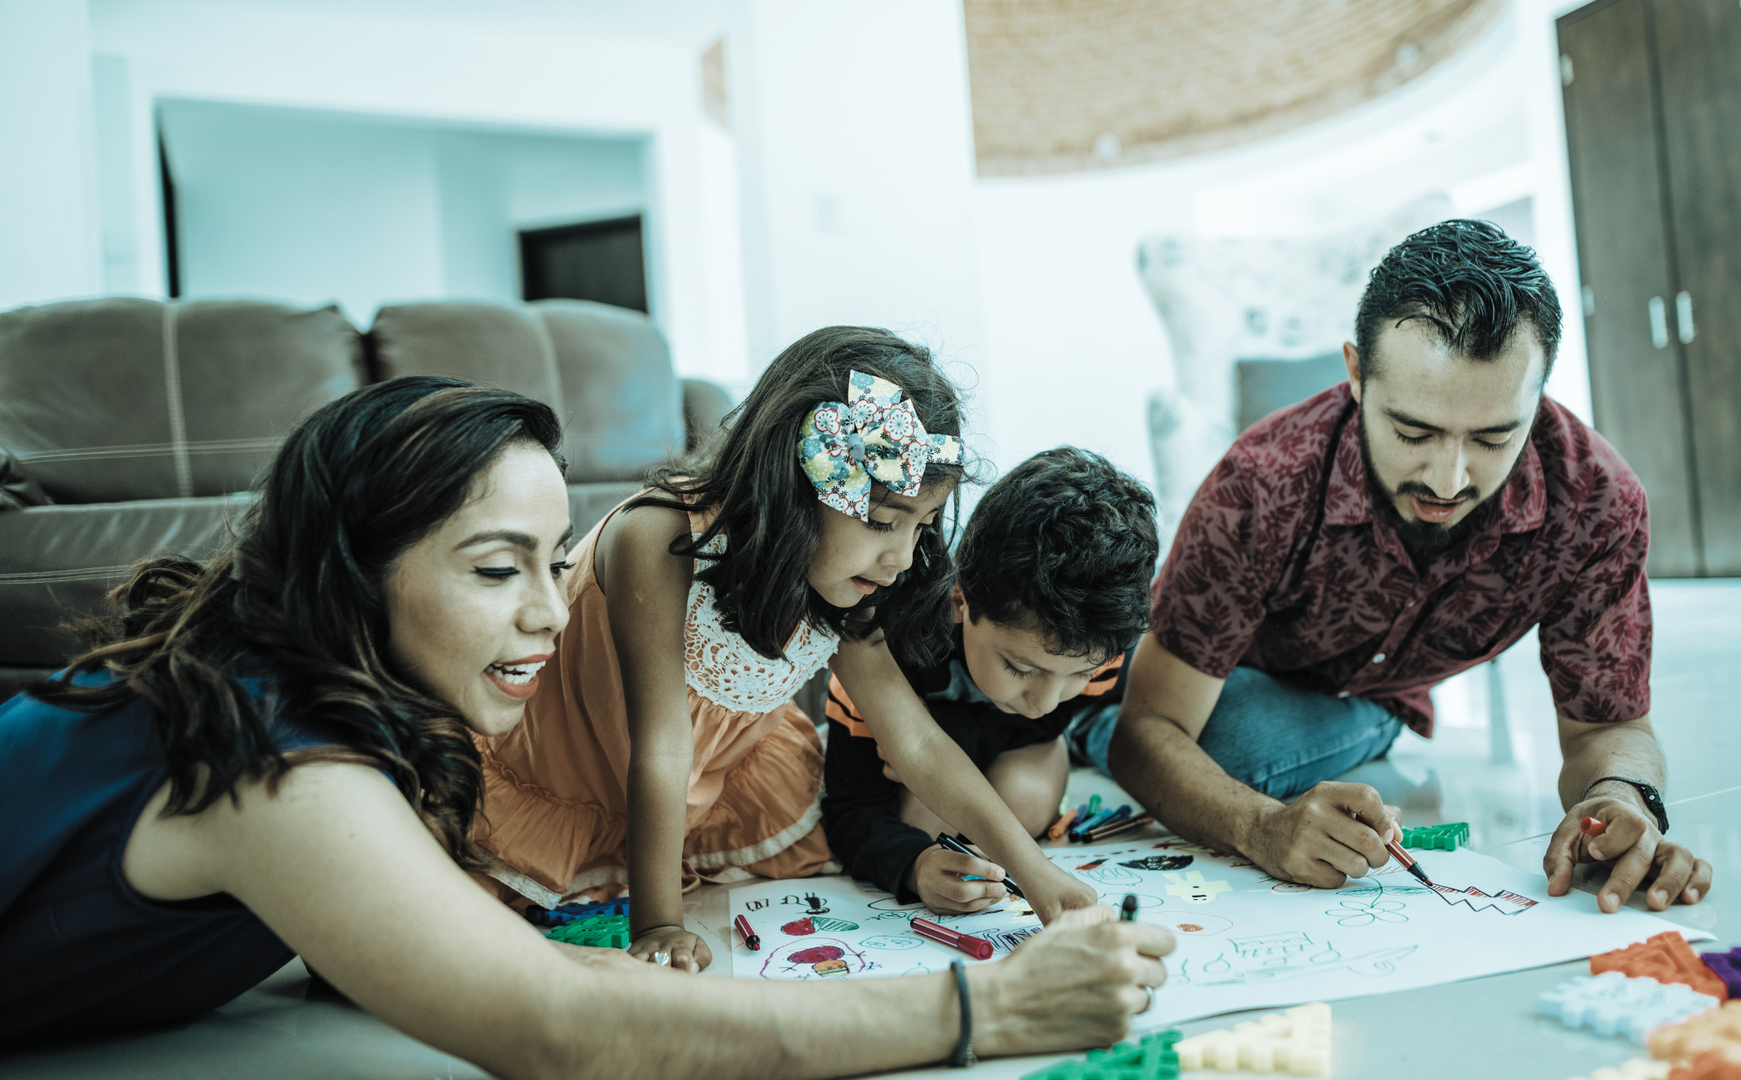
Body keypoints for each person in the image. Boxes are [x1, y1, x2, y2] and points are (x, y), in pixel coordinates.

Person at [0, 375, 1173, 1067]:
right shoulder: (278, 763)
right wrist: (991, 1005)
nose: (556, 618)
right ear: (354, 577)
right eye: (495, 570)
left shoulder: (345, 708)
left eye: (553, 564)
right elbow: (556, 1022)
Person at [1085, 220, 1713, 915]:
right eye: (1413, 432)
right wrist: (1259, 828)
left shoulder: (1597, 501)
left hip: (1374, 697)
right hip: (1211, 669)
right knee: (1195, 738)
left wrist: (1620, 800)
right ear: (1356, 374)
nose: (1448, 479)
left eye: (1494, 436)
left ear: (1538, 398)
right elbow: (1152, 730)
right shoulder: (1261, 484)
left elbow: (1608, 728)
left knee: (1232, 746)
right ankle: (1084, 706)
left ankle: (1083, 713)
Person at [472, 327, 1101, 975]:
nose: (903, 557)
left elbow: (915, 741)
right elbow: (659, 747)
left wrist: (1036, 873)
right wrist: (660, 924)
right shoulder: (656, 537)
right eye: (884, 522)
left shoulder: (850, 582)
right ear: (797, 486)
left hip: (707, 786)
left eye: (921, 525)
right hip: (575, 771)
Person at [822, 448, 1158, 910]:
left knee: (1027, 797)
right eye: (1020, 668)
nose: (1045, 701)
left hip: (1012, 748)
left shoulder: (1098, 643)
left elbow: (1043, 717)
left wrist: (965, 735)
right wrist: (915, 864)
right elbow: (848, 810)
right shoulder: (888, 646)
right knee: (921, 815)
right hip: (911, 757)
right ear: (960, 600)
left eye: (1079, 675)